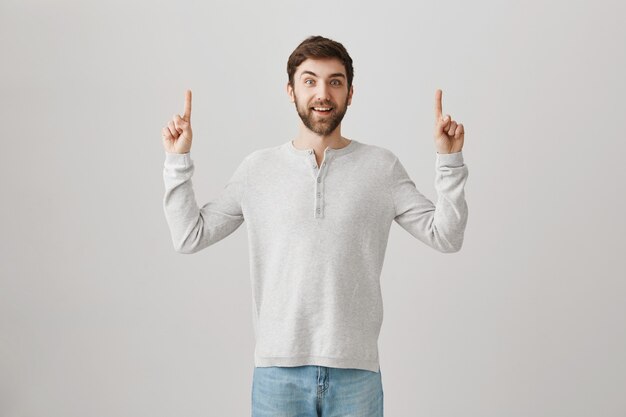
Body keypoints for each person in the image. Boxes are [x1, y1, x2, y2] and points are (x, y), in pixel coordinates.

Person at [161, 35, 468, 417]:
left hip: (356, 373)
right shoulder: (257, 169)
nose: (322, 93)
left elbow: (447, 236)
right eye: (309, 81)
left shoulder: (381, 168)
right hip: (277, 374)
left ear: (350, 93)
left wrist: (449, 161)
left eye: (334, 82)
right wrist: (178, 161)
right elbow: (189, 236)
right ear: (290, 91)